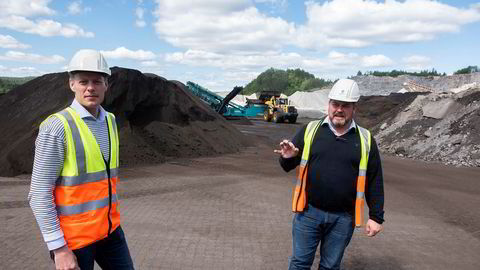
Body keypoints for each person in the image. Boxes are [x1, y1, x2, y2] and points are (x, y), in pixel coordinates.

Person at [28, 49, 134, 270]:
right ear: (71, 84)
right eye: (83, 81)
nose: (90, 87)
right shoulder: (57, 127)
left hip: (110, 232)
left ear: (107, 85)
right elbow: (38, 193)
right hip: (74, 241)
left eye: (97, 81)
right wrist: (59, 249)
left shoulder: (110, 121)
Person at [275, 79, 384, 270]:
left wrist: (376, 216)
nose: (339, 109)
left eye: (345, 105)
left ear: (354, 108)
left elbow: (374, 180)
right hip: (308, 213)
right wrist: (287, 157)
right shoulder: (310, 130)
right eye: (335, 104)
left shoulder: (365, 139)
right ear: (329, 105)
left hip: (343, 219)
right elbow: (287, 165)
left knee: (330, 266)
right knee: (300, 263)